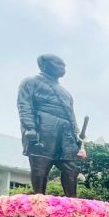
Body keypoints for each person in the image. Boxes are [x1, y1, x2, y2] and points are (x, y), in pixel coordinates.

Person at [16, 54, 85, 196]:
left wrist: (76, 135)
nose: (62, 67)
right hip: (43, 128)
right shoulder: (30, 82)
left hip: (66, 132)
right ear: (43, 65)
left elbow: (71, 115)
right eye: (58, 64)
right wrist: (30, 127)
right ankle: (39, 200)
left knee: (72, 167)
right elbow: (24, 105)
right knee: (40, 167)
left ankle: (72, 202)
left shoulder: (66, 93)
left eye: (64, 65)